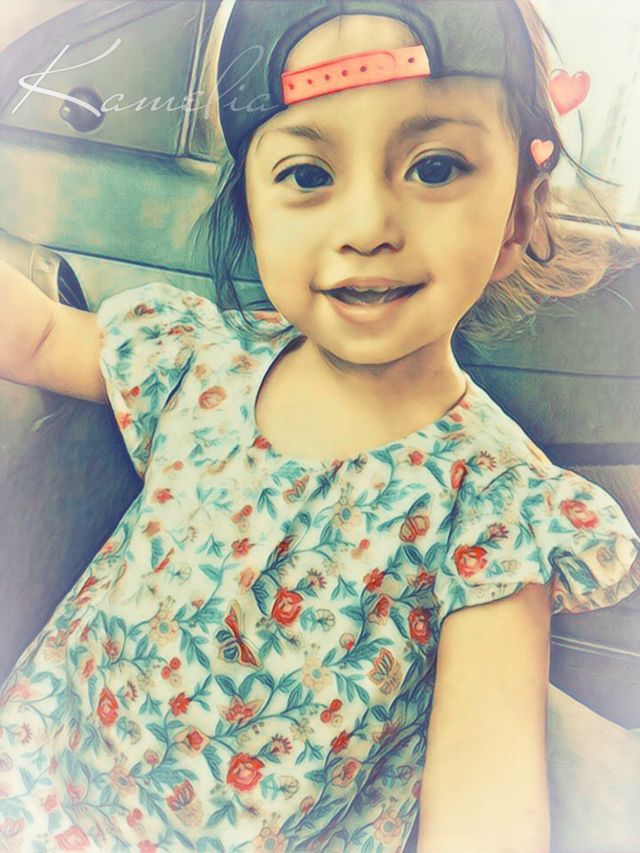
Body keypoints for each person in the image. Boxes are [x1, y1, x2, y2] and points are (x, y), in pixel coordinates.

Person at [0, 0, 639, 850]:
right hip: (36, 777)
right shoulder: (199, 361)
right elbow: (39, 336)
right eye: (307, 175)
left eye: (435, 166)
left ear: (520, 211)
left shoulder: (494, 510)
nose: (367, 227)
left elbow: (486, 813)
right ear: (252, 208)